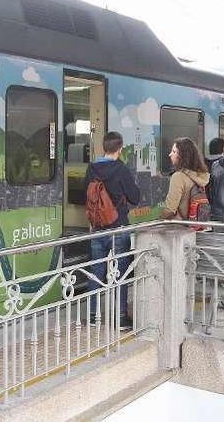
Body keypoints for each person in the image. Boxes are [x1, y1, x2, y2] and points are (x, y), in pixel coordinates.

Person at [84, 132, 141, 330]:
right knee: (120, 273)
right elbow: (135, 197)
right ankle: (120, 318)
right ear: (120, 148)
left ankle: (93, 316)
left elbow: (88, 195)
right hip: (118, 227)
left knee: (96, 272)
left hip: (97, 228)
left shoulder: (92, 168)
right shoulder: (121, 169)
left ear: (103, 147)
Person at [161, 137, 210, 220]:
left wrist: (158, 219)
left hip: (181, 227)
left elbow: (170, 209)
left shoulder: (178, 177)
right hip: (198, 225)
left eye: (174, 152)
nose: (170, 154)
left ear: (182, 156)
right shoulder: (202, 176)